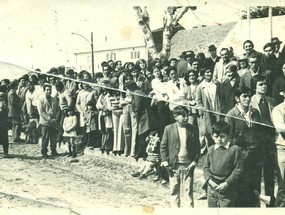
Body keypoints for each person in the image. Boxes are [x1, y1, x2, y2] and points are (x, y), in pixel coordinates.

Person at [160, 105, 200, 208]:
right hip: (174, 165)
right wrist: (165, 161)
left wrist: (194, 161)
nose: (186, 118)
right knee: (174, 190)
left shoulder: (193, 129)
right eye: (183, 116)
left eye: (187, 115)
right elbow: (163, 146)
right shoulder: (168, 129)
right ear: (175, 117)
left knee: (188, 191)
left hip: (188, 165)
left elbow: (197, 147)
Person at [203, 120, 243, 207]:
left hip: (227, 189)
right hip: (212, 187)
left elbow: (238, 169)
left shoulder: (235, 149)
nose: (219, 139)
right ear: (212, 136)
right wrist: (209, 181)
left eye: (222, 136)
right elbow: (206, 167)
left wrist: (226, 183)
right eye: (216, 136)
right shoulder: (211, 149)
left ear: (228, 135)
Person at [37, 83, 60, 158]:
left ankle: (53, 150)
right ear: (44, 91)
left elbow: (58, 110)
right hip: (45, 122)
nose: (48, 91)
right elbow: (41, 111)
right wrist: (49, 119)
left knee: (53, 137)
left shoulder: (54, 99)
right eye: (47, 90)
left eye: (49, 90)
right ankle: (44, 152)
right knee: (45, 137)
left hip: (54, 122)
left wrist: (56, 118)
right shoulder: (40, 99)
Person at [271, 83, 285, 207]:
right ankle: (280, 208)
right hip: (283, 149)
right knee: (283, 183)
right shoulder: (278, 109)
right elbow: (280, 127)